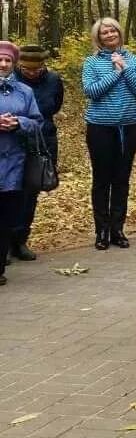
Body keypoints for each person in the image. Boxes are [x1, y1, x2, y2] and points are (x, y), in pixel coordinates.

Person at [82, 18, 136, 250]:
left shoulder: (135, 60)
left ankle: (117, 229)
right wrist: (114, 73)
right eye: (104, 32)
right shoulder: (91, 62)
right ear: (98, 38)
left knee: (121, 178)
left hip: (129, 127)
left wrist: (125, 68)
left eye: (112, 30)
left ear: (119, 33)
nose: (109, 34)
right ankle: (101, 231)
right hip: (100, 127)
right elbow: (90, 91)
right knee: (102, 179)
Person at [10, 45, 64, 261]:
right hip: (13, 141)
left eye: (37, 68)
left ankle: (20, 240)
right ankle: (4, 243)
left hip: (42, 141)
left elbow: (55, 105)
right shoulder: (10, 80)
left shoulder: (53, 80)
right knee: (9, 193)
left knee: (31, 193)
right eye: (26, 69)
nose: (31, 72)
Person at [0, 42, 43, 285]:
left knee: (7, 216)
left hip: (15, 163)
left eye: (7, 61)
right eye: (0, 60)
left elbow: (37, 122)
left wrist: (18, 123)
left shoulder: (25, 91)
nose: (4, 65)